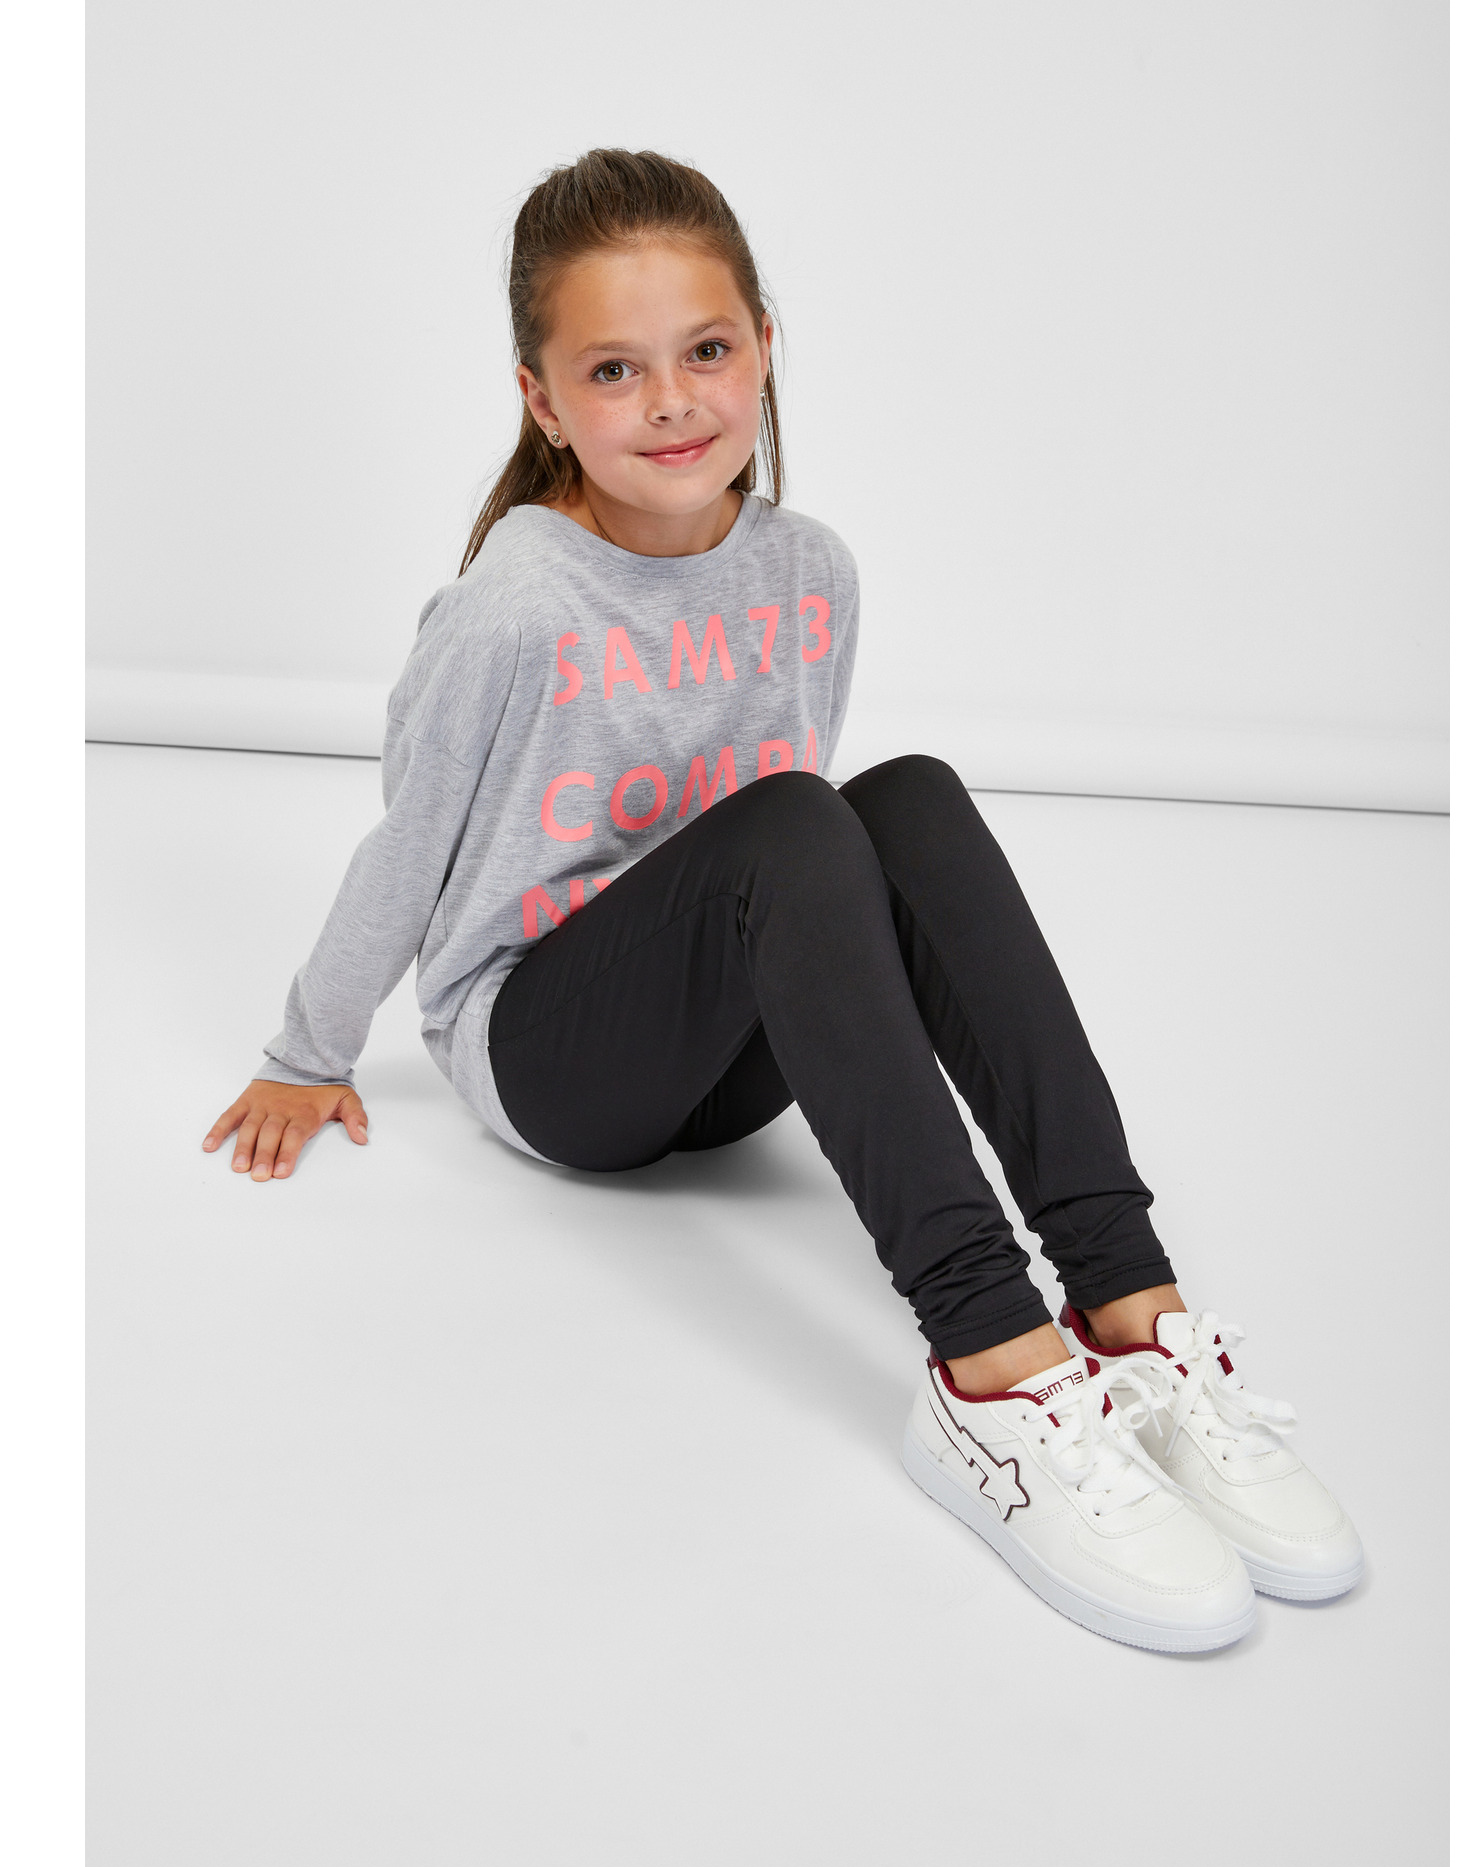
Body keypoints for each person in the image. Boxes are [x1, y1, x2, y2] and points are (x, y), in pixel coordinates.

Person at [202, 148, 1362, 1652]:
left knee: (909, 799)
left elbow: (811, 882)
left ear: (764, 348)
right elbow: (409, 846)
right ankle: (994, 1374)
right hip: (551, 1054)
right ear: (543, 403)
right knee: (805, 822)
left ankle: (1133, 1311)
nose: (670, 401)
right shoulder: (517, 606)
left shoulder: (812, 572)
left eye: (705, 351)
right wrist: (306, 1052)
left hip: (728, 1047)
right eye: (613, 371)